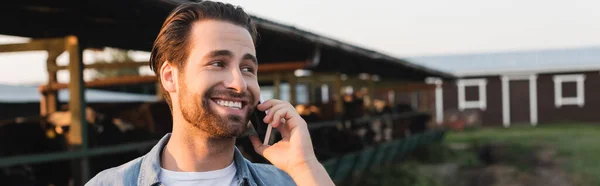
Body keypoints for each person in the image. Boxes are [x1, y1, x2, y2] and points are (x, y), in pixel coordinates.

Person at [86, 2, 334, 186]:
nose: (239, 83)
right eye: (217, 63)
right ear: (170, 77)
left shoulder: (289, 182)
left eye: (247, 68)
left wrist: (304, 165)